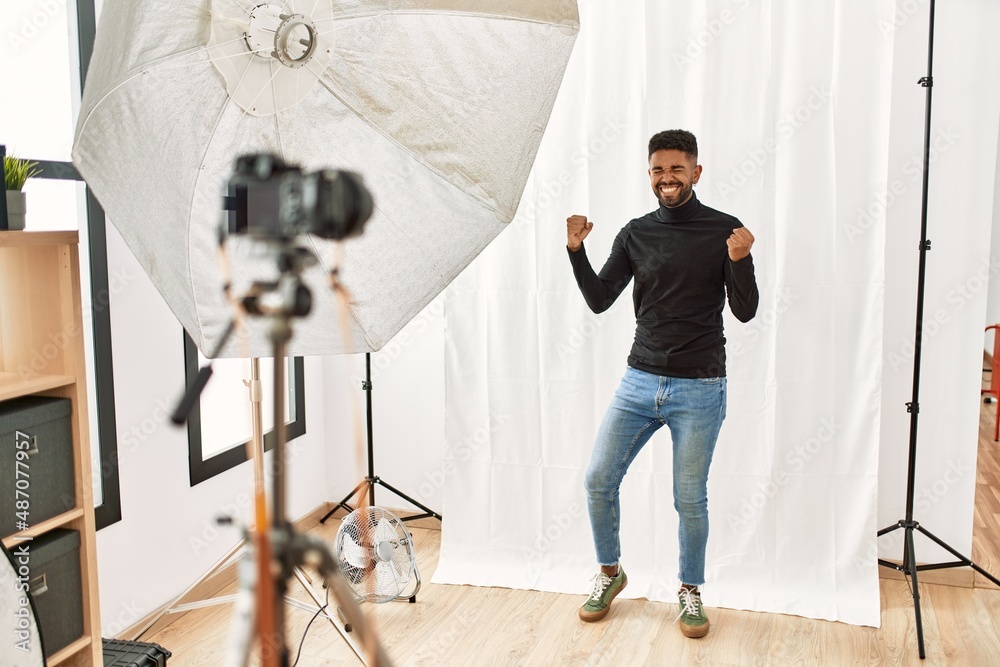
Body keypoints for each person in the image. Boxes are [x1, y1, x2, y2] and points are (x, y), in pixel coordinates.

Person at [566, 129, 759, 638]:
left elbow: (745, 311)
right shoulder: (635, 232)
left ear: (696, 172)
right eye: (658, 170)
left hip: (700, 386)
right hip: (639, 379)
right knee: (597, 480)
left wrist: (741, 261)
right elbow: (601, 298)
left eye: (676, 169)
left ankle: (690, 591)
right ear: (648, 174)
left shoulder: (725, 230)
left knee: (689, 499)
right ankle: (610, 572)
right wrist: (575, 250)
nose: (667, 178)